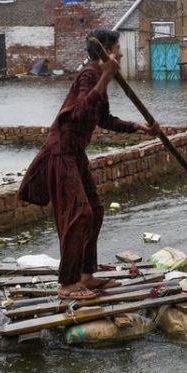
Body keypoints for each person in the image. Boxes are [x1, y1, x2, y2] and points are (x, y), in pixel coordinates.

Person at [18, 30, 159, 300]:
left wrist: (138, 127)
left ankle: (86, 275)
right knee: (78, 214)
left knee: (94, 209)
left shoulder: (98, 78)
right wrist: (105, 76)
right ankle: (68, 284)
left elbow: (103, 119)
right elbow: (81, 111)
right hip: (61, 153)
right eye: (117, 48)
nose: (120, 53)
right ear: (106, 51)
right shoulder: (89, 75)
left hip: (76, 154)